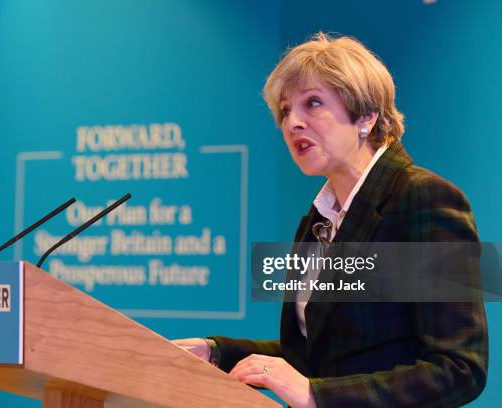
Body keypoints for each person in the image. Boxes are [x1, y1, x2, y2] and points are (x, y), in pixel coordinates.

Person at [173, 33, 488, 407]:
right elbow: (321, 353)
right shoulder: (317, 219)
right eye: (286, 110)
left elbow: (459, 369)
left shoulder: (425, 199)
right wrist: (216, 353)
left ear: (367, 116)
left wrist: (315, 394)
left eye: (313, 103)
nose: (293, 123)